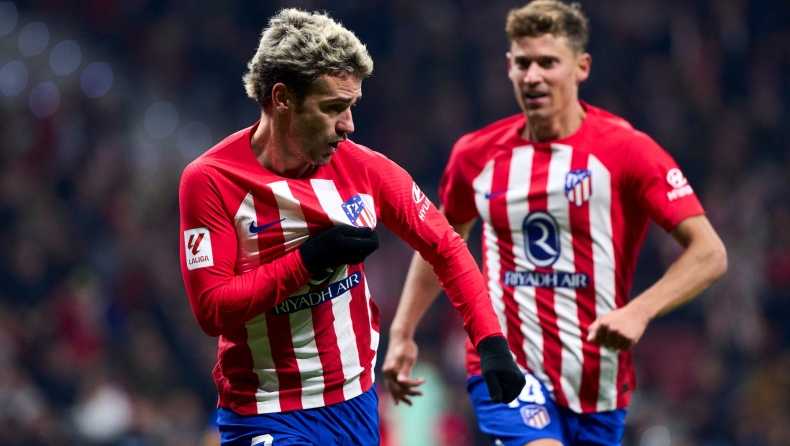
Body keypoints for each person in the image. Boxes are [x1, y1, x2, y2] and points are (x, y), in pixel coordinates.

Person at [382, 1, 728, 445]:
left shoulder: (628, 151)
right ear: (509, 67)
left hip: (597, 383)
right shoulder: (476, 156)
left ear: (581, 67)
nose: (533, 76)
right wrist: (403, 331)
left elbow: (709, 253)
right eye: (523, 63)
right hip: (507, 365)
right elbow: (441, 246)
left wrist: (640, 311)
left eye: (548, 63)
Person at [178, 8, 524, 446]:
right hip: (264, 410)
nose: (348, 125)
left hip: (355, 406)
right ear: (282, 98)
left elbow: (446, 247)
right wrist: (311, 259)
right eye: (333, 108)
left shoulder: (365, 169)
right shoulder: (211, 180)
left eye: (351, 106)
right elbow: (212, 310)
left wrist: (490, 340)